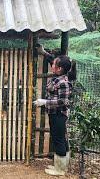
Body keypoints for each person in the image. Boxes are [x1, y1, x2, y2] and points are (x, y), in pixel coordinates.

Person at [34, 44, 76, 176]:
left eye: (54, 64)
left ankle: (60, 169)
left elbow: (62, 102)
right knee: (61, 139)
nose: (52, 65)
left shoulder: (64, 82)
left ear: (60, 69)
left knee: (58, 140)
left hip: (59, 114)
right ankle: (62, 166)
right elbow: (53, 60)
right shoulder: (60, 74)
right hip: (54, 113)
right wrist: (44, 53)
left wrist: (44, 102)